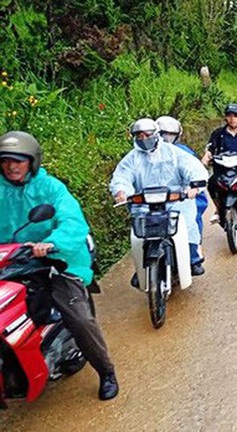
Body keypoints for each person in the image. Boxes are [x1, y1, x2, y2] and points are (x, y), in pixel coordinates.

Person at [0, 131, 119, 401]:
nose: (11, 166)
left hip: (55, 260)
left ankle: (106, 371)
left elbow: (73, 222)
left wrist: (50, 243)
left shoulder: (51, 189)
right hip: (9, 262)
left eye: (18, 160)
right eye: (6, 160)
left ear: (32, 162)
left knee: (78, 317)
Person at [110, 118, 208, 276]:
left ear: (155, 134)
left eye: (146, 135)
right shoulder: (132, 158)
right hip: (145, 203)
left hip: (176, 200)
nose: (143, 139)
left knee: (188, 226)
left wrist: (194, 186)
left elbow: (192, 168)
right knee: (139, 235)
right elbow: (122, 176)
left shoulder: (174, 152)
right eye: (139, 136)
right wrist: (121, 191)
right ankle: (142, 270)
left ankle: (192, 259)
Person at [155, 116, 209, 255]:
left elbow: (195, 172)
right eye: (163, 134)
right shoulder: (145, 153)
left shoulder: (185, 153)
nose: (167, 138)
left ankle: (194, 254)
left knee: (193, 214)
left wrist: (193, 188)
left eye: (170, 134)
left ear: (177, 136)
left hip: (181, 196)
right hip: (155, 197)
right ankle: (144, 267)